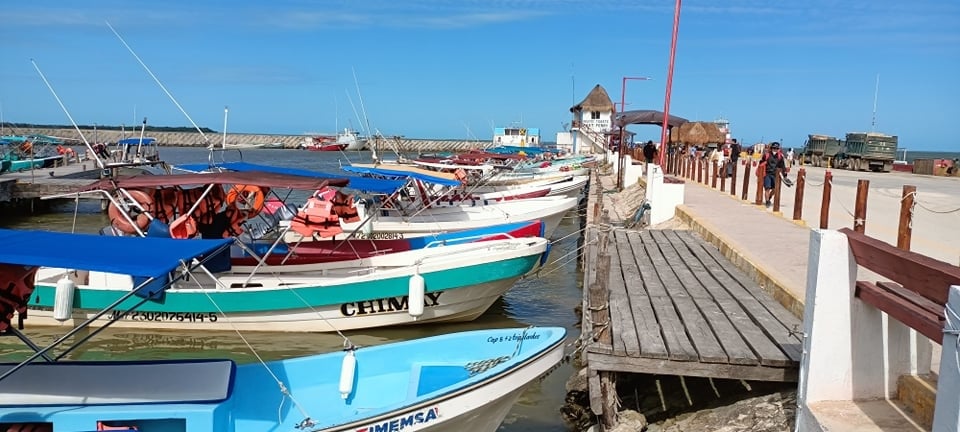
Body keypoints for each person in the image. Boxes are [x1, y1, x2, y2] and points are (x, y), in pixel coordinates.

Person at [758, 142, 788, 207]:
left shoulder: (780, 156)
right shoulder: (766, 155)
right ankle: (767, 201)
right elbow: (760, 163)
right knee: (767, 188)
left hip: (775, 175)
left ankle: (769, 197)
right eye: (774, 148)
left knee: (775, 189)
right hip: (767, 174)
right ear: (771, 148)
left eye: (777, 148)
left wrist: (785, 175)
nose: (775, 149)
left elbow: (782, 166)